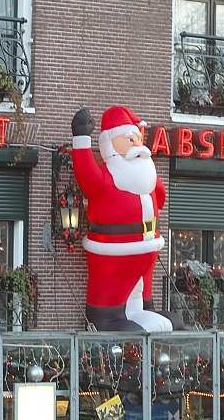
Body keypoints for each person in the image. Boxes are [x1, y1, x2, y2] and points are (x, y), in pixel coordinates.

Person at [69, 105, 185, 331]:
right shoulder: (107, 175)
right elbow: (86, 176)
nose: (135, 143)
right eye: (128, 138)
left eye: (136, 137)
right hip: (113, 252)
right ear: (110, 144)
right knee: (111, 286)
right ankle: (106, 316)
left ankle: (143, 309)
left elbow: (159, 197)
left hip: (147, 247)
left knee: (141, 288)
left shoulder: (147, 175)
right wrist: (81, 139)